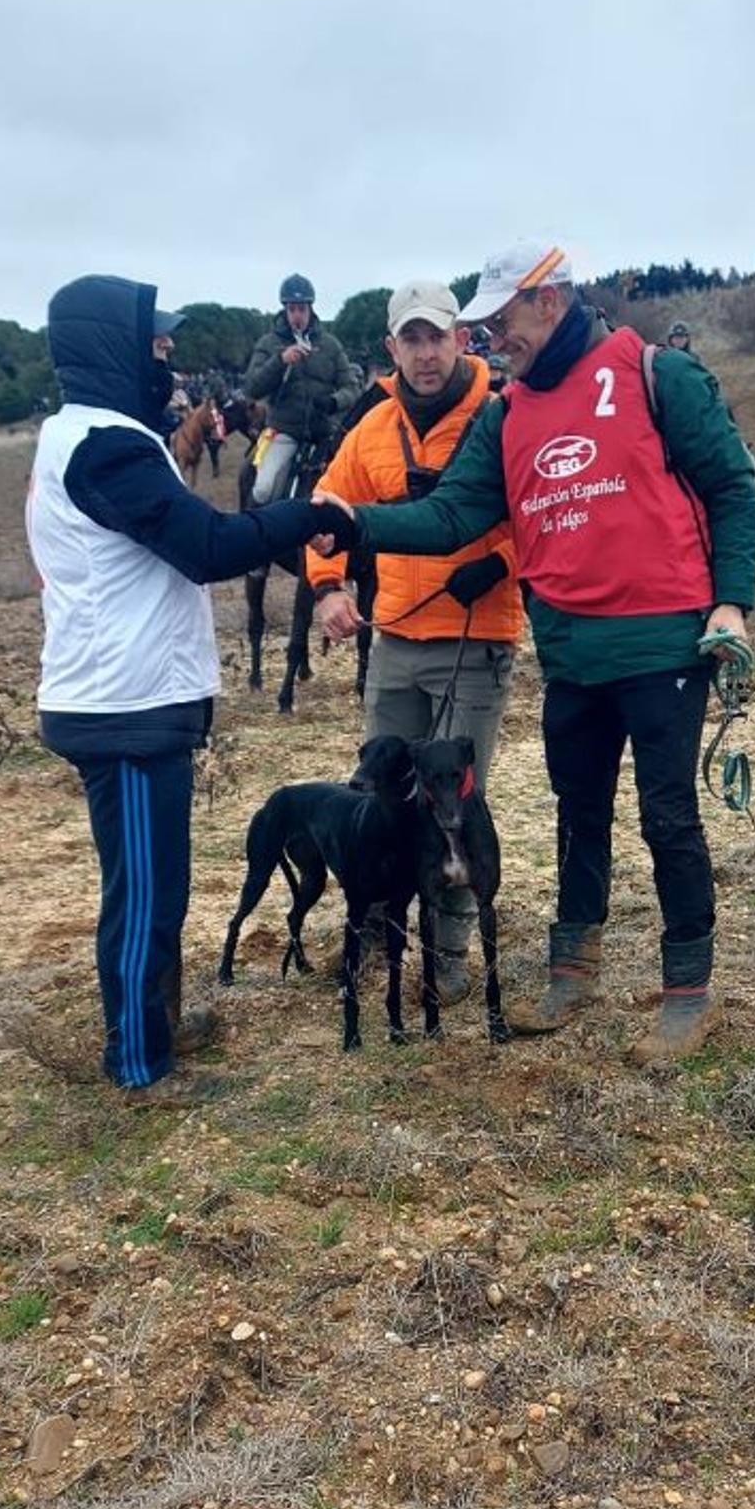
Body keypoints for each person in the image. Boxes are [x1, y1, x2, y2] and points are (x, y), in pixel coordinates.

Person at [315, 241, 755, 1068]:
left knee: (667, 817)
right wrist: (357, 525)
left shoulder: (656, 375)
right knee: (578, 809)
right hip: (571, 656)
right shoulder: (507, 413)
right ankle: (572, 969)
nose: (493, 340)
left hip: (663, 642)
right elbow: (453, 515)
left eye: (502, 321)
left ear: (548, 302)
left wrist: (731, 598)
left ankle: (686, 993)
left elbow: (733, 483)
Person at [27, 273, 356, 1095]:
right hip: (126, 706)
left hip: (127, 696)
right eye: (156, 343)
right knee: (144, 893)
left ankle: (159, 1026)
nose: (168, 358)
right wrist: (312, 515)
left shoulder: (83, 436)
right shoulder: (108, 446)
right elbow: (208, 546)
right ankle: (140, 1064)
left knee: (154, 883)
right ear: (113, 349)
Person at [306, 279, 520, 1003]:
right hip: (394, 638)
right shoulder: (370, 429)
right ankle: (378, 927)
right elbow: (324, 510)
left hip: (474, 638)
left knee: (457, 801)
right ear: (391, 348)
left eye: (438, 337)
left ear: (462, 338)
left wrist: (501, 563)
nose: (426, 354)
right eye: (412, 339)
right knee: (383, 794)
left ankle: (449, 950)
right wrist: (329, 587)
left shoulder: (500, 415)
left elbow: (545, 512)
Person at [242, 274, 358, 505]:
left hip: (325, 433)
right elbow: (252, 388)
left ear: (310, 309)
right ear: (285, 310)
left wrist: (334, 401)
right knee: (264, 489)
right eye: (292, 309)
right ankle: (255, 524)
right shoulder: (268, 343)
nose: (297, 315)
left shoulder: (330, 344)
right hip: (285, 431)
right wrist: (280, 361)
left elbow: (352, 387)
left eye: (302, 309)